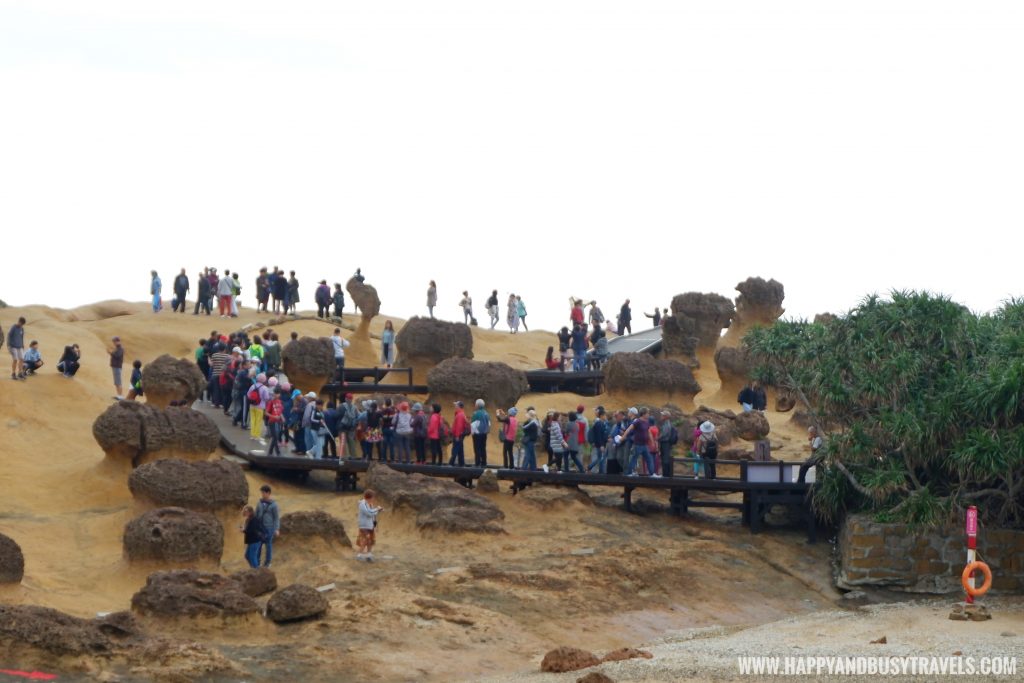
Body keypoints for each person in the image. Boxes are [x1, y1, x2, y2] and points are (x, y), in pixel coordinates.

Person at [618, 407, 657, 477]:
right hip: (638, 444)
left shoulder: (646, 422)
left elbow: (649, 432)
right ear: (643, 414)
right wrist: (623, 437)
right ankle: (629, 473)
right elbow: (629, 429)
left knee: (649, 459)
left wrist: (652, 442)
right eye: (647, 413)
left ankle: (652, 473)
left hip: (645, 445)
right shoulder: (637, 421)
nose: (648, 415)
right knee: (634, 458)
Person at [254, 484, 281, 568]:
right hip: (260, 528)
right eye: (261, 492)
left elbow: (276, 518)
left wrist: (276, 529)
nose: (262, 494)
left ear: (268, 493)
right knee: (258, 545)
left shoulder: (274, 505)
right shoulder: (259, 503)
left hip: (269, 528)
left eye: (263, 492)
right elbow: (256, 514)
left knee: (268, 545)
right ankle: (257, 563)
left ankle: (268, 562)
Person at [356, 490, 383, 561]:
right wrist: (377, 509)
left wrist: (377, 511)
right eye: (373, 497)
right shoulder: (362, 504)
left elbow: (372, 513)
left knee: (370, 540)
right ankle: (360, 555)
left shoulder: (370, 504)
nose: (374, 499)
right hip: (364, 526)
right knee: (365, 540)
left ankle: (369, 554)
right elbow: (369, 513)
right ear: (369, 497)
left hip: (370, 525)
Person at [587, 406, 609, 473]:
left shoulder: (600, 423)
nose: (606, 417)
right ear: (602, 415)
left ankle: (601, 471)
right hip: (600, 445)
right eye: (605, 415)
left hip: (599, 444)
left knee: (600, 458)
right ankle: (590, 467)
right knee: (601, 458)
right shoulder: (599, 424)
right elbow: (599, 436)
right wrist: (602, 445)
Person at [265, 387, 285, 456]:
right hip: (272, 421)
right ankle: (278, 452)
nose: (277, 395)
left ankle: (270, 451)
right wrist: (274, 416)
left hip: (278, 421)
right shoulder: (271, 402)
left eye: (278, 394)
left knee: (275, 437)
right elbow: (266, 413)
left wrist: (282, 417)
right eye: (276, 394)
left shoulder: (280, 402)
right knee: (275, 436)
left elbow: (280, 411)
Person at [470, 399, 490, 467]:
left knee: (477, 448)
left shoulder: (476, 413)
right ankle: (484, 463)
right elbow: (489, 424)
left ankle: (477, 463)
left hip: (477, 434)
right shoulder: (486, 413)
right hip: (484, 433)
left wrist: (472, 432)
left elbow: (473, 424)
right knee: (483, 448)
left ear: (477, 405)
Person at [658, 411, 677, 477]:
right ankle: (667, 475)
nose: (661, 416)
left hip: (665, 443)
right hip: (666, 443)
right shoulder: (667, 423)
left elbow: (664, 434)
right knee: (666, 458)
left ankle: (666, 475)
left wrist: (657, 438)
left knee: (665, 459)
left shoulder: (667, 424)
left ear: (666, 417)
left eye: (662, 415)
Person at [449, 401, 468, 466]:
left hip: (458, 435)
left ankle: (451, 463)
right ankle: (462, 463)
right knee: (460, 449)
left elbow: (459, 427)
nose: (455, 406)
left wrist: (457, 436)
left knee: (455, 449)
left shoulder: (460, 415)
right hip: (460, 435)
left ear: (459, 406)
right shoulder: (461, 414)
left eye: (456, 405)